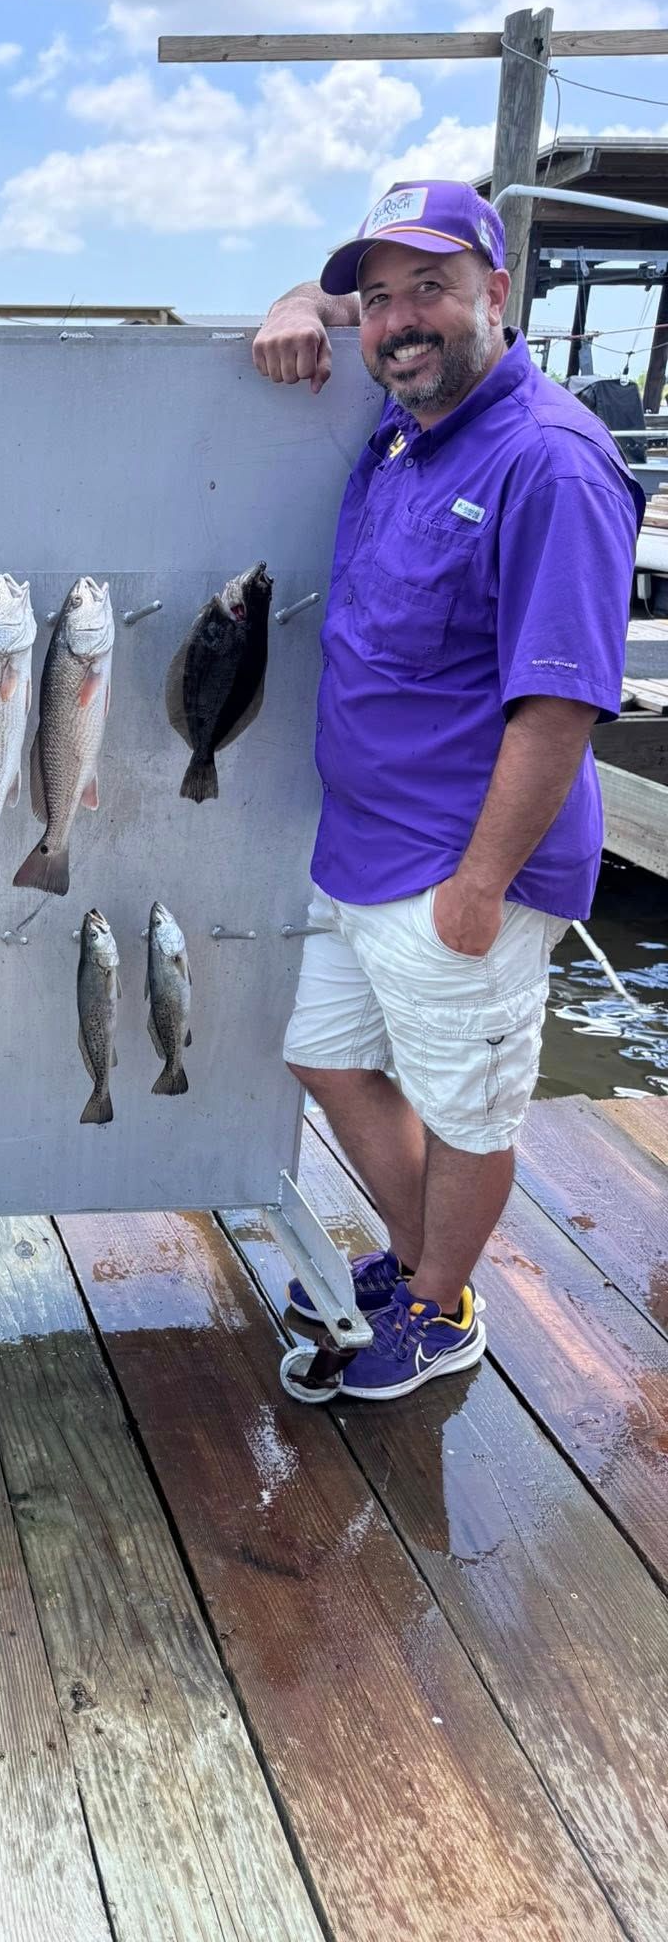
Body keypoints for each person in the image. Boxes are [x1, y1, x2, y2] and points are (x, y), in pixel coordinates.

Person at [253, 181, 641, 1400]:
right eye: (379, 298)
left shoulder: (554, 466)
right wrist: (289, 301)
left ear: (497, 294)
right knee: (322, 1055)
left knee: (471, 1109)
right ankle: (424, 1260)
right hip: (360, 847)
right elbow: (330, 301)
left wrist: (479, 889)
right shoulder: (410, 409)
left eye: (433, 287)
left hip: (460, 869)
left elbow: (561, 706)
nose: (401, 319)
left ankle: (440, 1305)